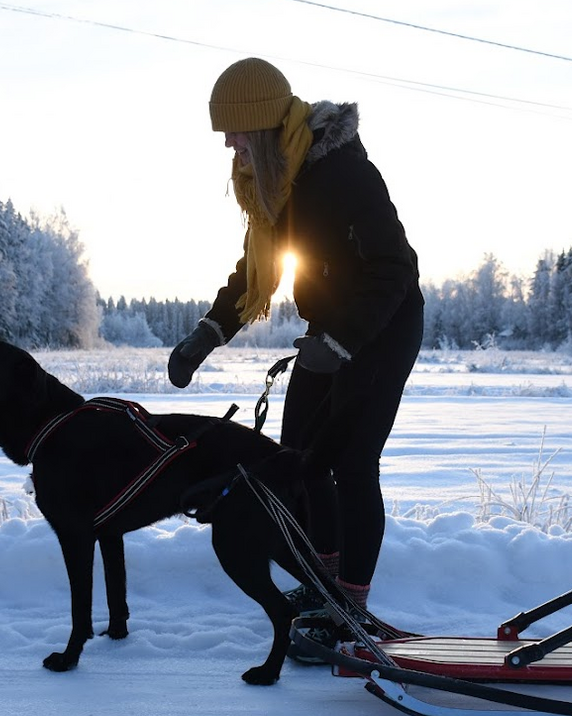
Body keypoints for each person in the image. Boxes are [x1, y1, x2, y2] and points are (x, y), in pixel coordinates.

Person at [168, 57, 423, 619]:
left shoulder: (343, 174)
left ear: (261, 123)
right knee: (299, 460)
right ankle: (321, 582)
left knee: (353, 464)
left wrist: (340, 343)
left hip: (381, 328)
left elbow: (394, 270)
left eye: (234, 130)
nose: (228, 143)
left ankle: (349, 609)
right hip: (327, 330)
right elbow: (255, 269)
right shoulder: (276, 182)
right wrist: (207, 334)